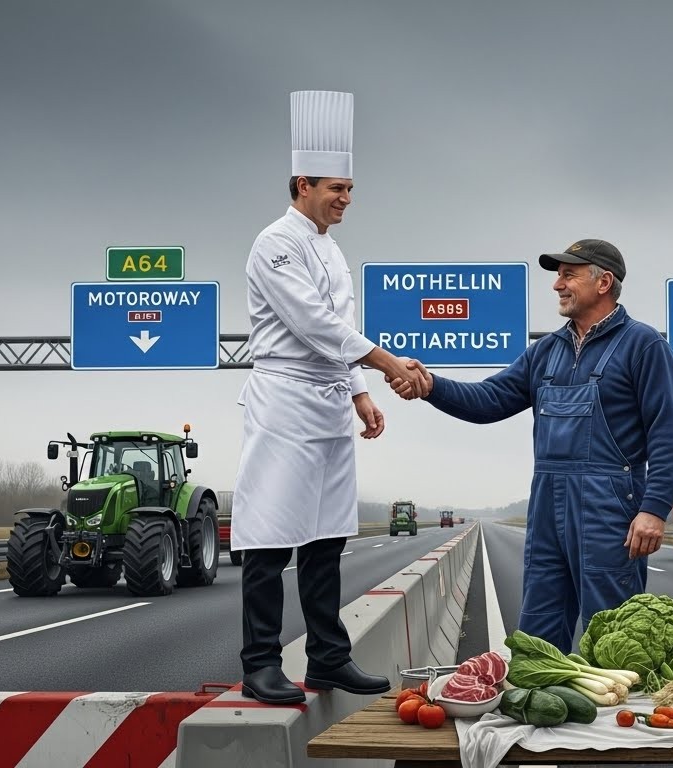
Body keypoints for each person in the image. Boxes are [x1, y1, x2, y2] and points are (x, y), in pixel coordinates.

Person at [391, 239, 673, 653]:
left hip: (610, 508)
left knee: (616, 636)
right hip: (548, 505)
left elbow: (668, 432)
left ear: (603, 282)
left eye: (569, 274)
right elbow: (488, 400)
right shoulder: (545, 352)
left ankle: (620, 714)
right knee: (537, 637)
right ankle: (543, 714)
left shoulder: (643, 346)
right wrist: (431, 386)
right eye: (557, 275)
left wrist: (654, 509)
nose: (557, 284)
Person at [233, 90, 430, 705]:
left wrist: (361, 393)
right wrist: (388, 362)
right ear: (301, 183)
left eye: (350, 189)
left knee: (326, 538)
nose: (346, 199)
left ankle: (327, 658)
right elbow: (314, 324)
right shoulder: (275, 244)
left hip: (327, 399)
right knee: (269, 537)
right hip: (285, 399)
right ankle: (261, 661)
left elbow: (336, 331)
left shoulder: (333, 249)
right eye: (335, 188)